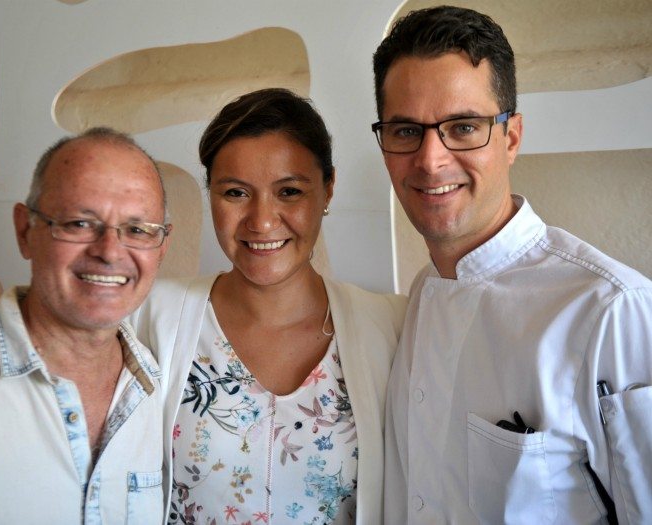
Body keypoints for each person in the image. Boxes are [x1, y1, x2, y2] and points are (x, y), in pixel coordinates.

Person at [372, 6, 652, 524]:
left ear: (512, 137)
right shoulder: (418, 297)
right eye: (406, 130)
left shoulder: (611, 311)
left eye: (463, 127)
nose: (431, 160)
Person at [131, 88, 407, 524]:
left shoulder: (392, 328)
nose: (262, 221)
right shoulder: (150, 319)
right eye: (236, 193)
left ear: (328, 189)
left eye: (289, 191)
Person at [0, 127, 170, 524]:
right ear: (25, 231)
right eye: (79, 223)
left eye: (138, 230)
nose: (109, 252)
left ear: (162, 248)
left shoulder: (158, 388)